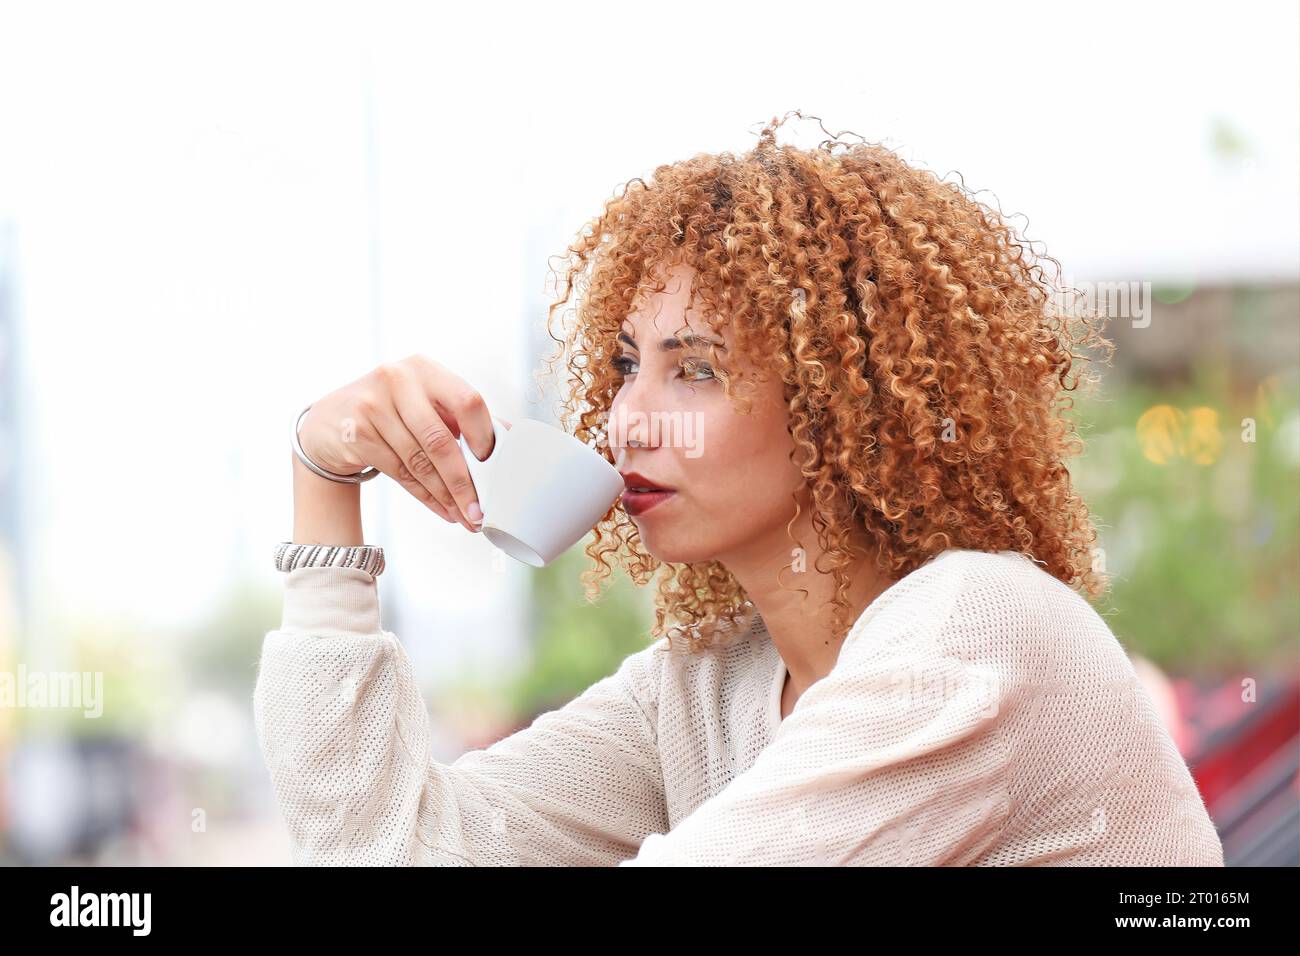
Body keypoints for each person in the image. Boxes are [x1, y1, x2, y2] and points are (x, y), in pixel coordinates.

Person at [252, 112, 1226, 866]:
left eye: (697, 368)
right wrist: (324, 473)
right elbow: (384, 847)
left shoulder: (977, 626)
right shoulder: (707, 683)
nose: (628, 416)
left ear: (846, 401)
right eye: (629, 362)